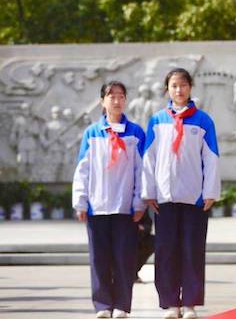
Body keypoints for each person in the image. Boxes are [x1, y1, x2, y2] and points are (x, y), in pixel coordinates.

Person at [142, 68, 221, 319]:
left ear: (190, 87)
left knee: (192, 250)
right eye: (174, 85)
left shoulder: (203, 120)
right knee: (166, 252)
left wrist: (210, 191)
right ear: (167, 89)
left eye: (183, 85)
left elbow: (211, 158)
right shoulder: (157, 121)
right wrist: (148, 192)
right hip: (164, 199)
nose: (179, 90)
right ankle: (170, 304)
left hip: (194, 198)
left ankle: (189, 304)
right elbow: (148, 159)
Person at [72, 81, 146, 319]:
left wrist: (139, 202)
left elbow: (142, 171)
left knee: (124, 259)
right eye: (111, 96)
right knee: (99, 259)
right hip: (97, 207)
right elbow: (83, 170)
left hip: (125, 208)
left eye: (121, 96)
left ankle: (122, 305)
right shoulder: (92, 133)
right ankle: (103, 305)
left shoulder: (136, 133)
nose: (116, 100)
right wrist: (81, 202)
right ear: (102, 102)